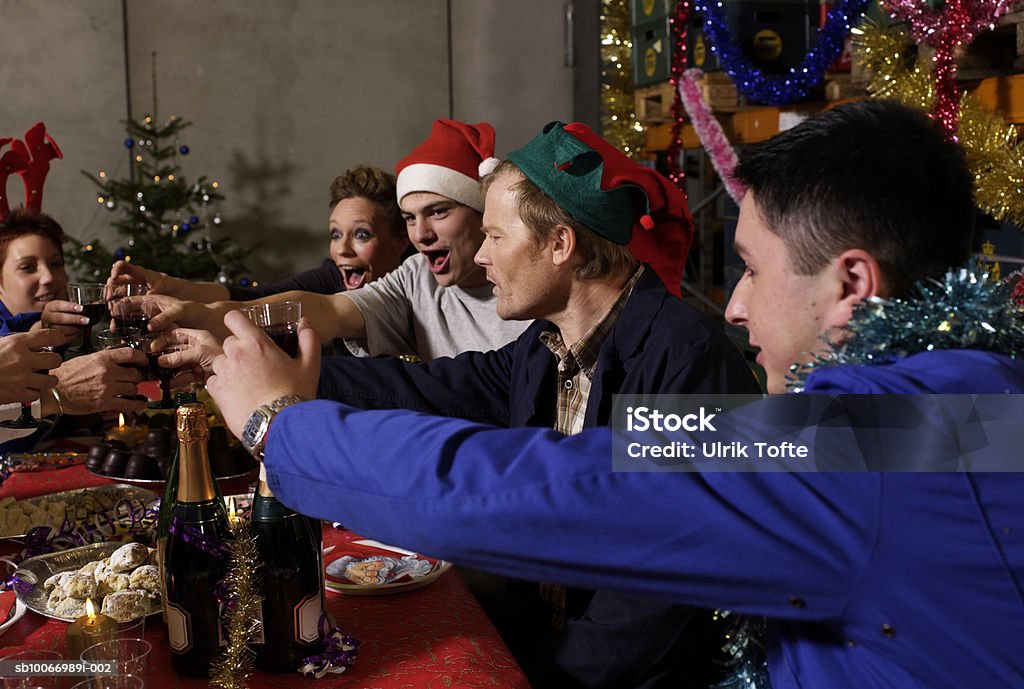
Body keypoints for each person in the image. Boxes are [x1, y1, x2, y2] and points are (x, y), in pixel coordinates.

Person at [206, 100, 1024, 689]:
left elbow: (554, 485)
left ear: (851, 282)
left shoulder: (879, 446)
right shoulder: (966, 417)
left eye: (753, 268)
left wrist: (285, 427)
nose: (733, 303)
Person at [214, 120, 761, 688]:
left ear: (560, 244)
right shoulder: (545, 345)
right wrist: (272, 375)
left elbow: (652, 602)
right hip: (540, 643)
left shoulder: (688, 357)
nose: (482, 259)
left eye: (496, 238)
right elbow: (429, 389)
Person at [149, 119, 529, 360]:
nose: (421, 234)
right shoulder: (417, 277)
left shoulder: (530, 283)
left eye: (439, 212)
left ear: (484, 214)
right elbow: (324, 310)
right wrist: (207, 316)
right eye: (411, 218)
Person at [108, 164, 411, 302]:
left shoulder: (424, 287)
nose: (342, 249)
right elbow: (256, 298)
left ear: (400, 239)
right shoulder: (334, 277)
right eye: (335, 234)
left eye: (361, 235)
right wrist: (167, 284)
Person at [0, 210, 147, 451]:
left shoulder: (65, 329)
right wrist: (40, 333)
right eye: (27, 267)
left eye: (55, 263)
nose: (48, 277)